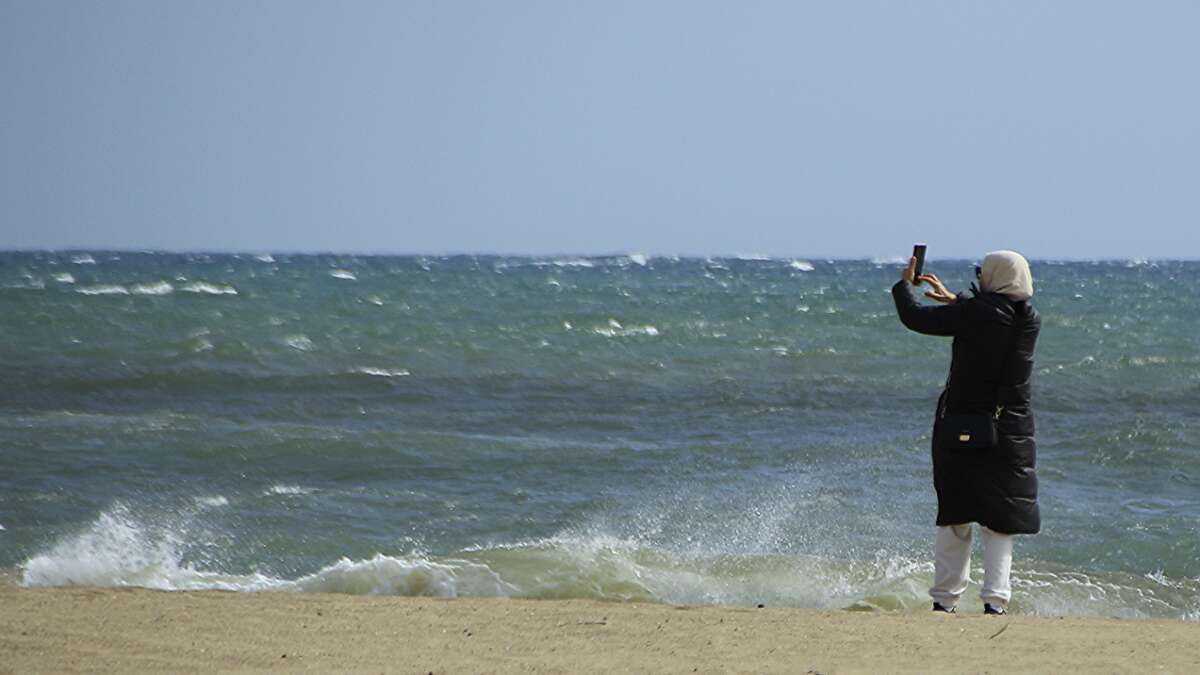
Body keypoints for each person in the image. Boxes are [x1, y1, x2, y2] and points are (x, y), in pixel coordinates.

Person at [892, 250, 1041, 615]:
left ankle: (945, 600)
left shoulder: (976, 314)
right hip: (1012, 431)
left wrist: (903, 284)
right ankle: (995, 601)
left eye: (981, 272)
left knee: (955, 515)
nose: (979, 277)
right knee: (999, 523)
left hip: (964, 427)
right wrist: (957, 300)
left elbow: (914, 318)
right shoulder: (1029, 318)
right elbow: (988, 317)